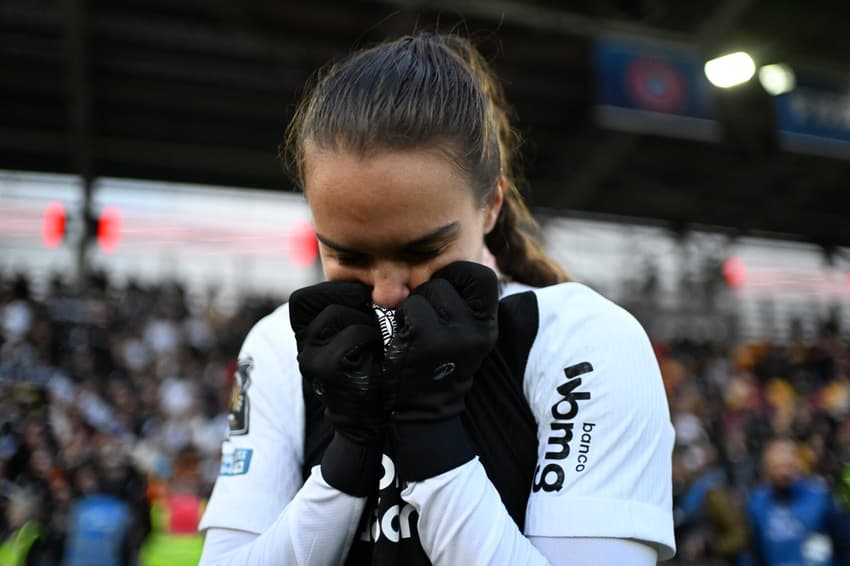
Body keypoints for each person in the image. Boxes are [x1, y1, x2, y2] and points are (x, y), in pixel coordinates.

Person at [198, 32, 675, 565]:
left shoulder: (586, 341)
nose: (386, 290)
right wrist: (344, 467)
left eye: (424, 250)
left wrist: (433, 442)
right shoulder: (276, 343)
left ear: (490, 204)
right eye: (347, 256)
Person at [747, 438, 850, 566]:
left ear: (797, 463)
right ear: (766, 468)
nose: (783, 472)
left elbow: (844, 542)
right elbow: (753, 552)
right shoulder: (758, 503)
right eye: (777, 466)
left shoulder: (820, 497)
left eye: (787, 464)